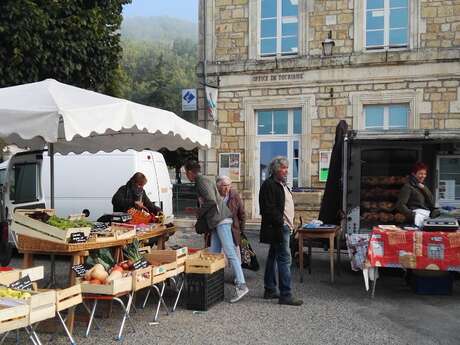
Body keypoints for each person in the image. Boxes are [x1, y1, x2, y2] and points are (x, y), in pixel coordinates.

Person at [184, 160, 249, 303]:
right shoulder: (204, 179)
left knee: (230, 253)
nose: (186, 175)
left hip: (221, 220)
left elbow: (211, 201)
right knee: (214, 254)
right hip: (217, 221)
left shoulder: (201, 181)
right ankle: (213, 286)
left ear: (189, 172)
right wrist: (197, 210)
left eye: (185, 172)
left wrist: (199, 212)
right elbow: (211, 200)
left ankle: (241, 285)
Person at [259, 156, 303, 306]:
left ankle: (270, 289)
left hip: (284, 227)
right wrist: (282, 222)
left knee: (273, 257)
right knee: (285, 259)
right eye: (283, 168)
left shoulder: (282, 184)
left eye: (286, 167)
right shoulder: (269, 185)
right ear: (275, 169)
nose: (286, 170)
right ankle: (286, 294)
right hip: (279, 228)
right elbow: (268, 209)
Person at [396, 162, 440, 227]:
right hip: (415, 219)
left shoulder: (423, 186)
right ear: (413, 174)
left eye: (425, 174)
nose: (423, 176)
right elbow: (400, 205)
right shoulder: (408, 187)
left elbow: (432, 202)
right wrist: (413, 215)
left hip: (426, 217)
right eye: (420, 174)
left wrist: (424, 189)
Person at [216, 176, 246, 260]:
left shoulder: (235, 196)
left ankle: (238, 272)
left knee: (234, 256)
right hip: (217, 230)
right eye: (224, 186)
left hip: (232, 230)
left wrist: (241, 230)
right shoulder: (215, 196)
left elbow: (242, 214)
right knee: (218, 257)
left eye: (229, 185)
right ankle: (219, 272)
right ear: (218, 186)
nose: (227, 188)